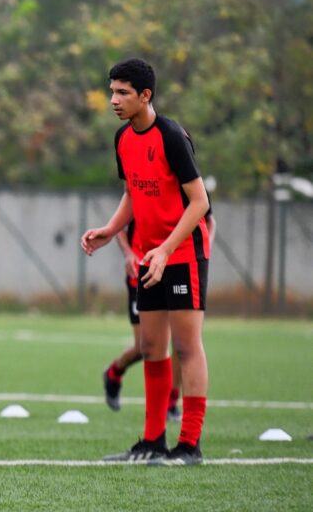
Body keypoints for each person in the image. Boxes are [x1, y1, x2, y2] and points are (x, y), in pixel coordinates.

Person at [82, 58, 211, 466]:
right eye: (112, 91)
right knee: (152, 347)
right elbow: (133, 194)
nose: (114, 100)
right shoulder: (123, 139)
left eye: (122, 92)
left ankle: (189, 445)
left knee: (187, 348)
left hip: (182, 252)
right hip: (150, 254)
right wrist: (110, 229)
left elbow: (199, 202)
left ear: (145, 96)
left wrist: (167, 249)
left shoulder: (172, 136)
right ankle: (152, 442)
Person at [103, 211, 216, 422]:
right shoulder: (140, 185)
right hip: (142, 274)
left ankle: (171, 403)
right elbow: (120, 224)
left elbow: (208, 218)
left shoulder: (187, 183)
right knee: (145, 348)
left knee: (182, 344)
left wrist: (203, 248)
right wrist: (128, 254)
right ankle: (114, 372)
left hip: (179, 269)